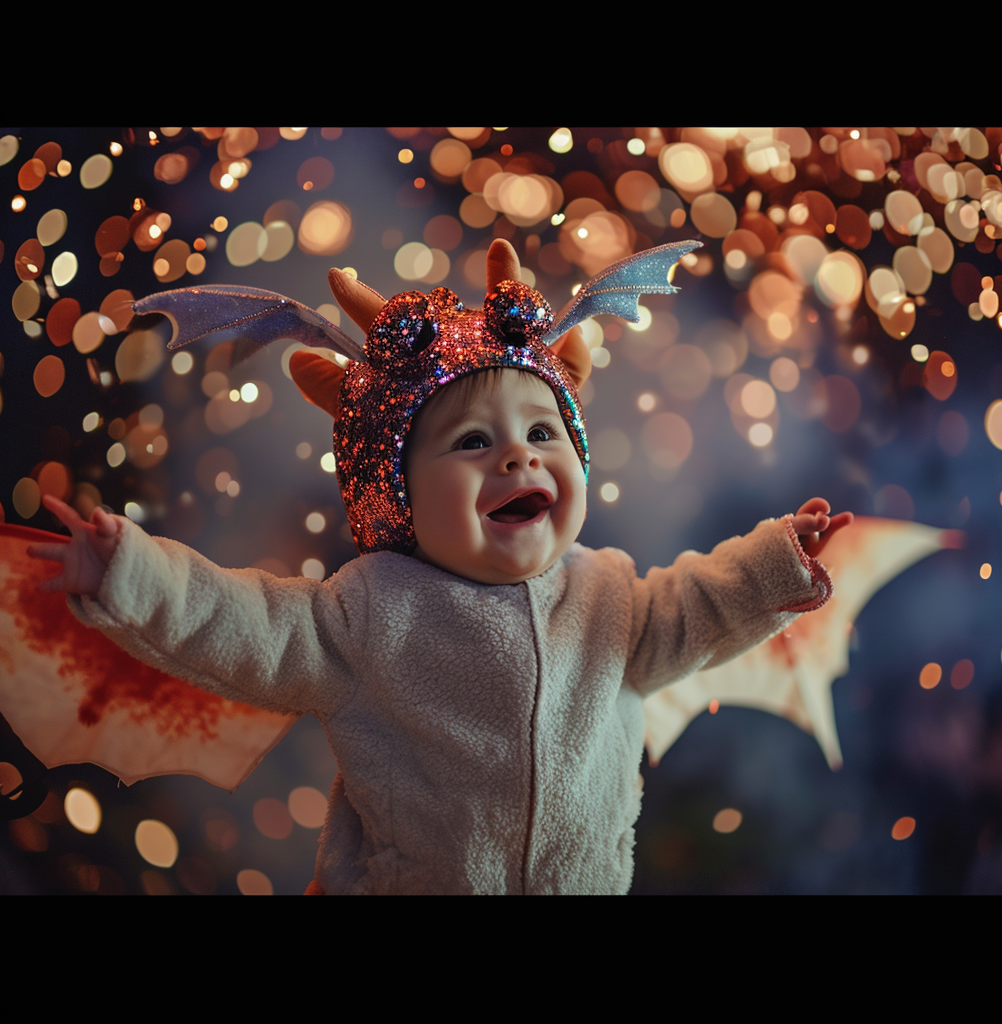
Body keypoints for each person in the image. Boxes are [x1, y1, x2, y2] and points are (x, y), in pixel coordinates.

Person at [28, 240, 851, 894]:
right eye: (471, 443)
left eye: (542, 434)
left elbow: (702, 607)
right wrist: (129, 572)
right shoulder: (366, 615)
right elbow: (237, 621)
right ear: (398, 497)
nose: (518, 461)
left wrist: (778, 560)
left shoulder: (613, 598)